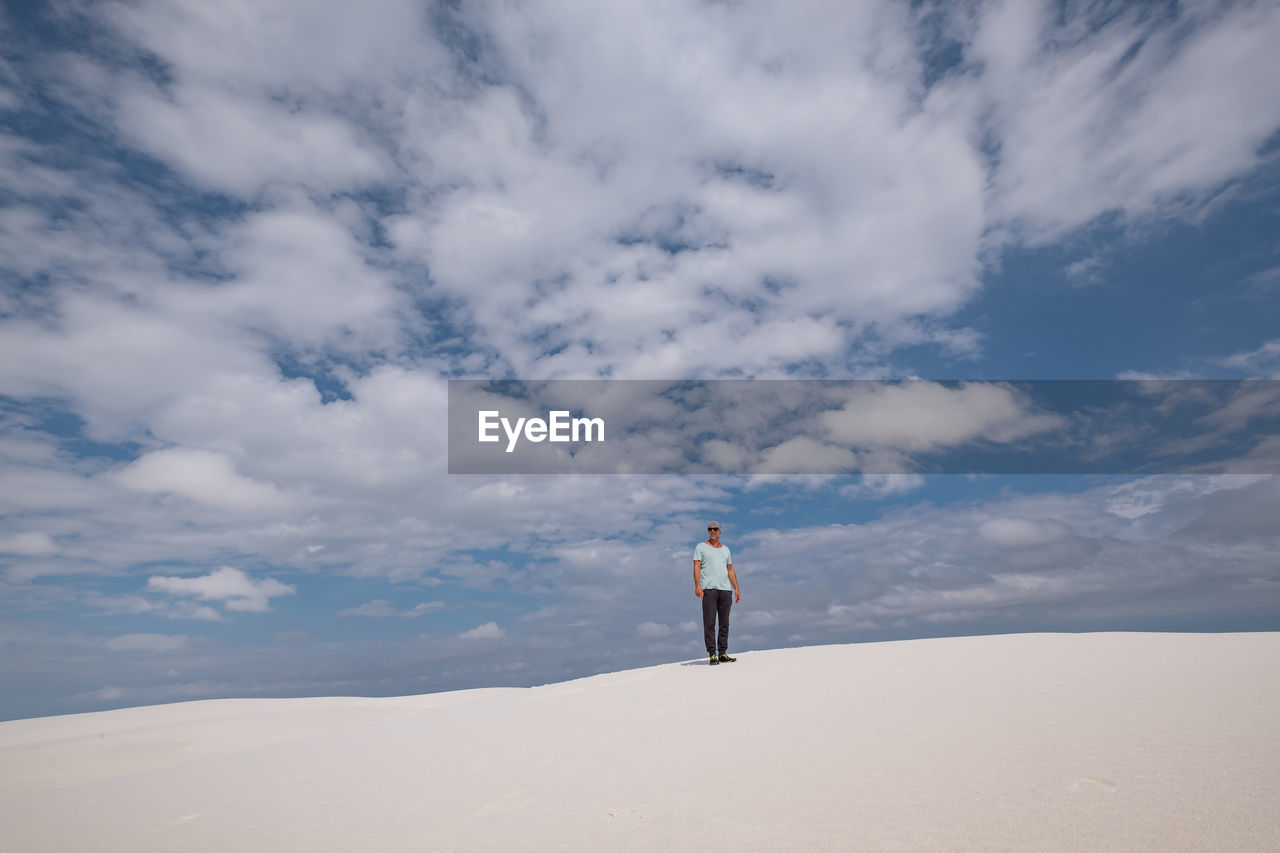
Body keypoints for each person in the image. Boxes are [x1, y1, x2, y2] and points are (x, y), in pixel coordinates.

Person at [693, 521, 742, 666]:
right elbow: (696, 567)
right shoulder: (700, 547)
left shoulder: (726, 550)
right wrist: (697, 585)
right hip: (709, 589)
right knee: (709, 622)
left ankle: (722, 653)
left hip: (726, 590)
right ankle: (712, 654)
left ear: (720, 531)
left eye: (715, 529)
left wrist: (736, 588)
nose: (712, 531)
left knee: (724, 623)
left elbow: (730, 569)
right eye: (710, 529)